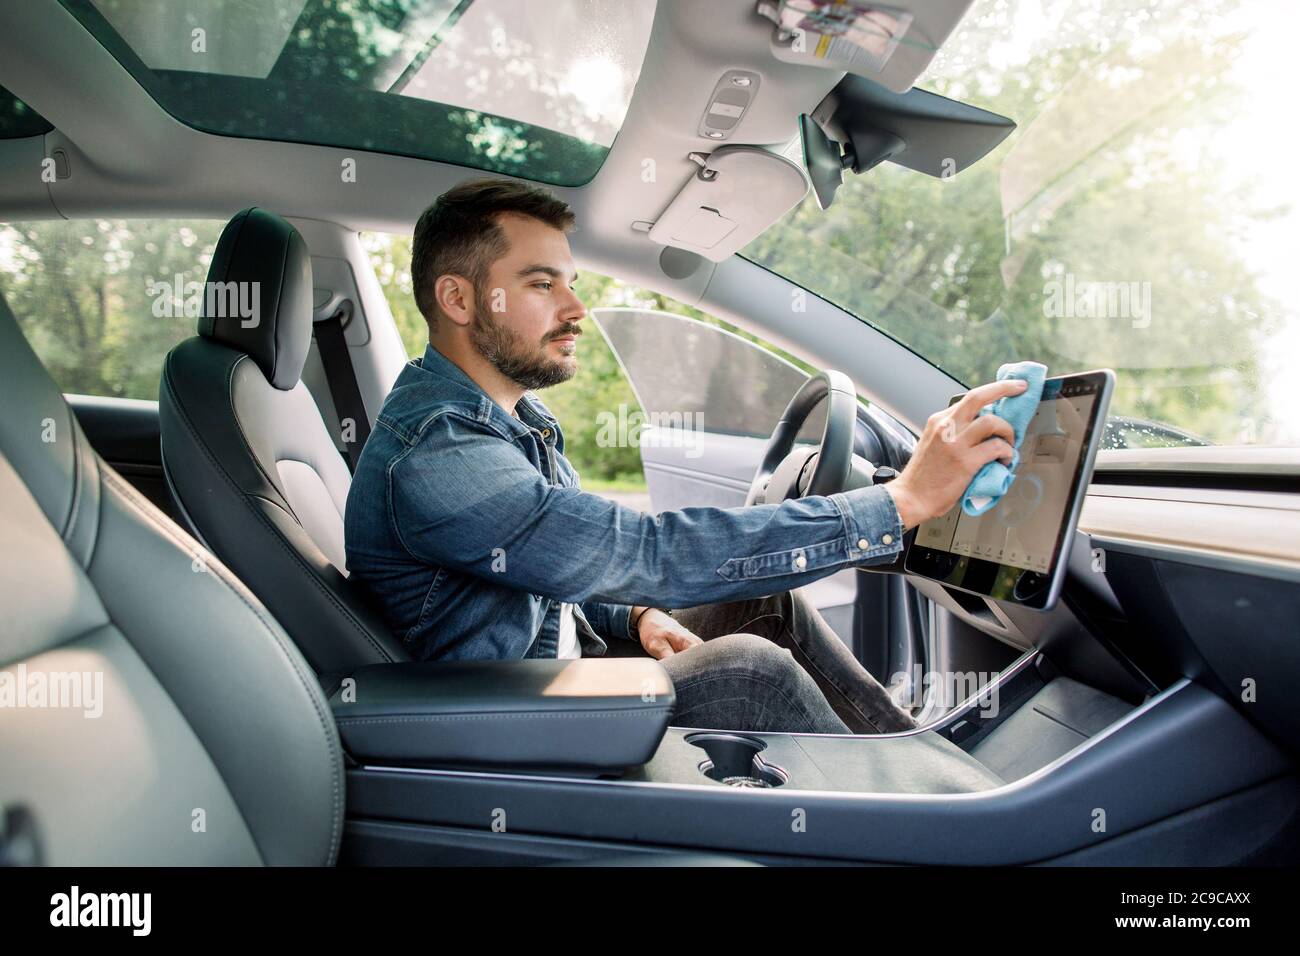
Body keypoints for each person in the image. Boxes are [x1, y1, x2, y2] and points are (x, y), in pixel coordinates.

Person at [344, 178, 1021, 736]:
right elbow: (638, 552)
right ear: (459, 299)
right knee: (753, 672)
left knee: (768, 601)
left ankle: (914, 759)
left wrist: (633, 616)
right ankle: (926, 823)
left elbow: (555, 569)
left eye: (571, 282)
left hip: (550, 670)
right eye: (542, 284)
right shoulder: (439, 450)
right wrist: (900, 502)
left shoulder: (510, 421)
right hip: (508, 719)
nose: (577, 308)